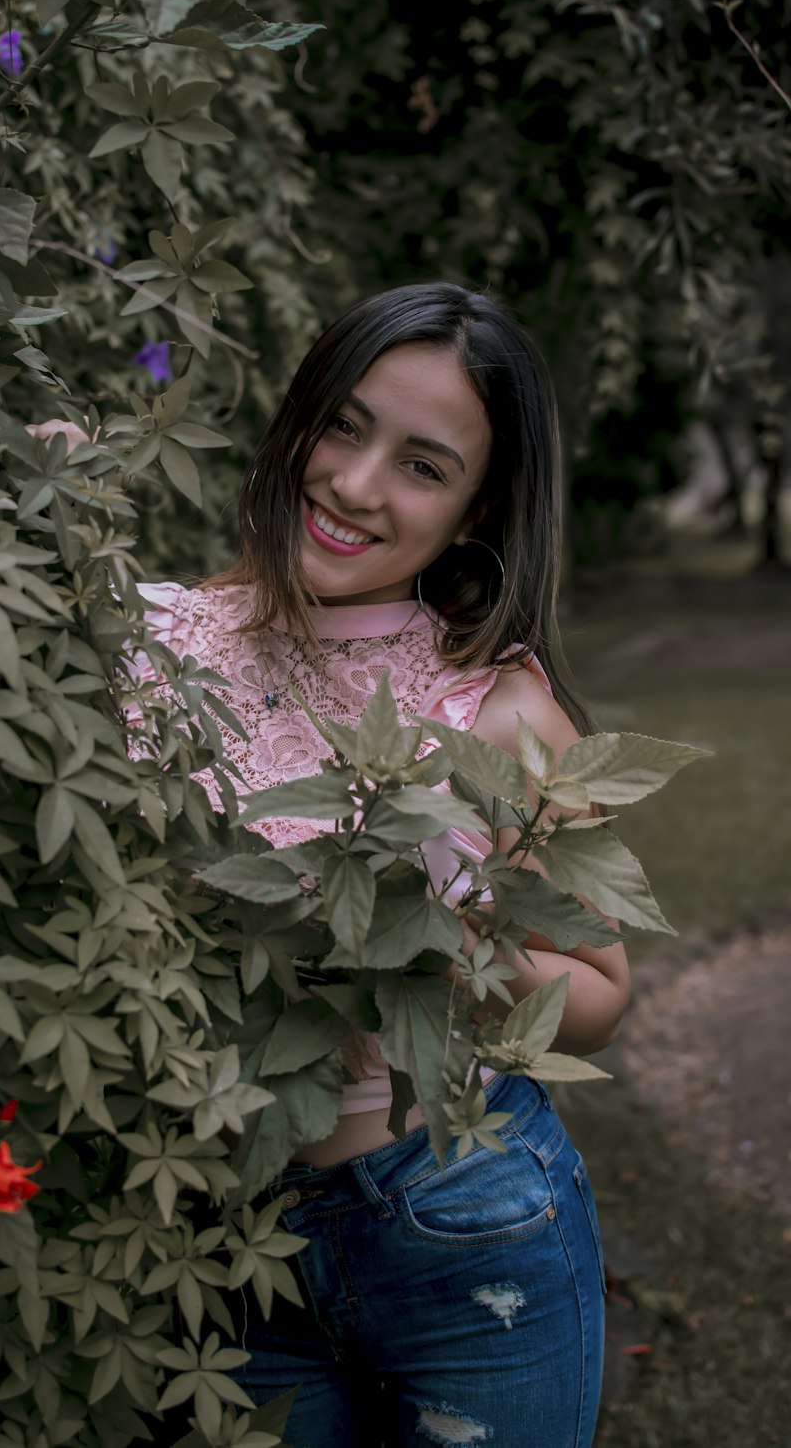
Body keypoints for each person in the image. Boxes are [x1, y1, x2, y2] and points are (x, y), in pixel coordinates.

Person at [33, 281, 630, 1448]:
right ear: (299, 419)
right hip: (218, 1243)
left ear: (475, 507)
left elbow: (602, 997)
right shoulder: (155, 642)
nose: (354, 487)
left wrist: (448, 939)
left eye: (421, 464)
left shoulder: (498, 711)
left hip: (466, 1220)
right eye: (344, 426)